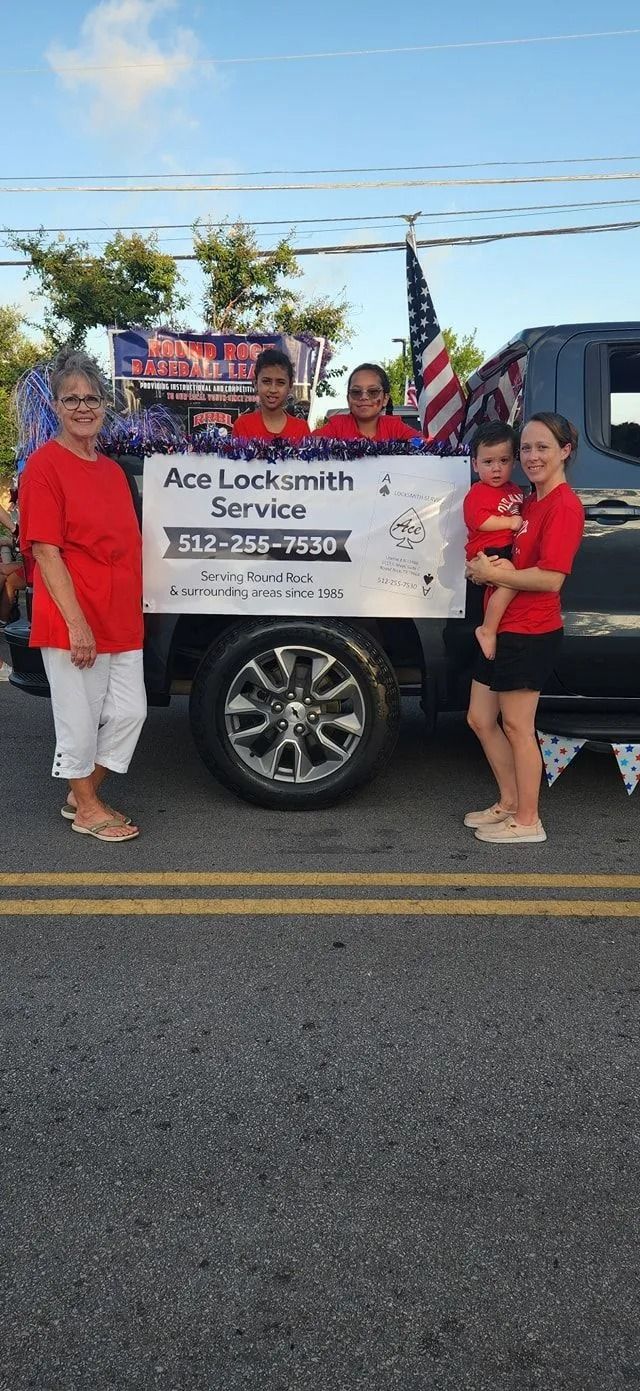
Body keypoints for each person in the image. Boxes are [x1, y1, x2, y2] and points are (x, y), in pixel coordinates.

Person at [19, 347, 146, 842]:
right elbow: (46, 552)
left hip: (120, 616)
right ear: (55, 406)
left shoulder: (112, 471)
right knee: (79, 715)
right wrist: (77, 624)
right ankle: (89, 808)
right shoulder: (44, 468)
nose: (83, 407)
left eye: (91, 397)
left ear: (104, 405)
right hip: (75, 615)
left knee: (131, 711)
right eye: (71, 399)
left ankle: (82, 791)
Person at [464, 413, 584, 845]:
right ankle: (510, 802)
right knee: (480, 718)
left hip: (531, 629)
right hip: (500, 626)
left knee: (517, 726)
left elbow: (551, 578)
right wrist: (482, 571)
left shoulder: (564, 506)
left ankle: (528, 820)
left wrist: (496, 574)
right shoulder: (528, 501)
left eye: (543, 447)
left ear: (565, 451)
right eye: (527, 449)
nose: (532, 457)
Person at [463, 422, 524, 660]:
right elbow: (480, 521)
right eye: (488, 462)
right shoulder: (478, 492)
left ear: (513, 461)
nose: (496, 469)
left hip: (505, 548)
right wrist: (510, 523)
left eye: (504, 461)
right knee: (510, 580)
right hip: (486, 551)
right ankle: (487, 630)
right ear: (475, 464)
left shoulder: (514, 490)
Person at [313, 364, 421, 441]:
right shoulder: (336, 426)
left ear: (385, 399)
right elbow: (307, 444)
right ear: (348, 398)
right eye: (356, 392)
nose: (364, 397)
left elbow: (423, 444)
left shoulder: (394, 427)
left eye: (373, 391)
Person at [232, 348, 311, 443]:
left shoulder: (301, 428)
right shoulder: (242, 425)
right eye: (266, 381)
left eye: (280, 383)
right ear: (256, 384)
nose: (273, 390)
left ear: (290, 386)